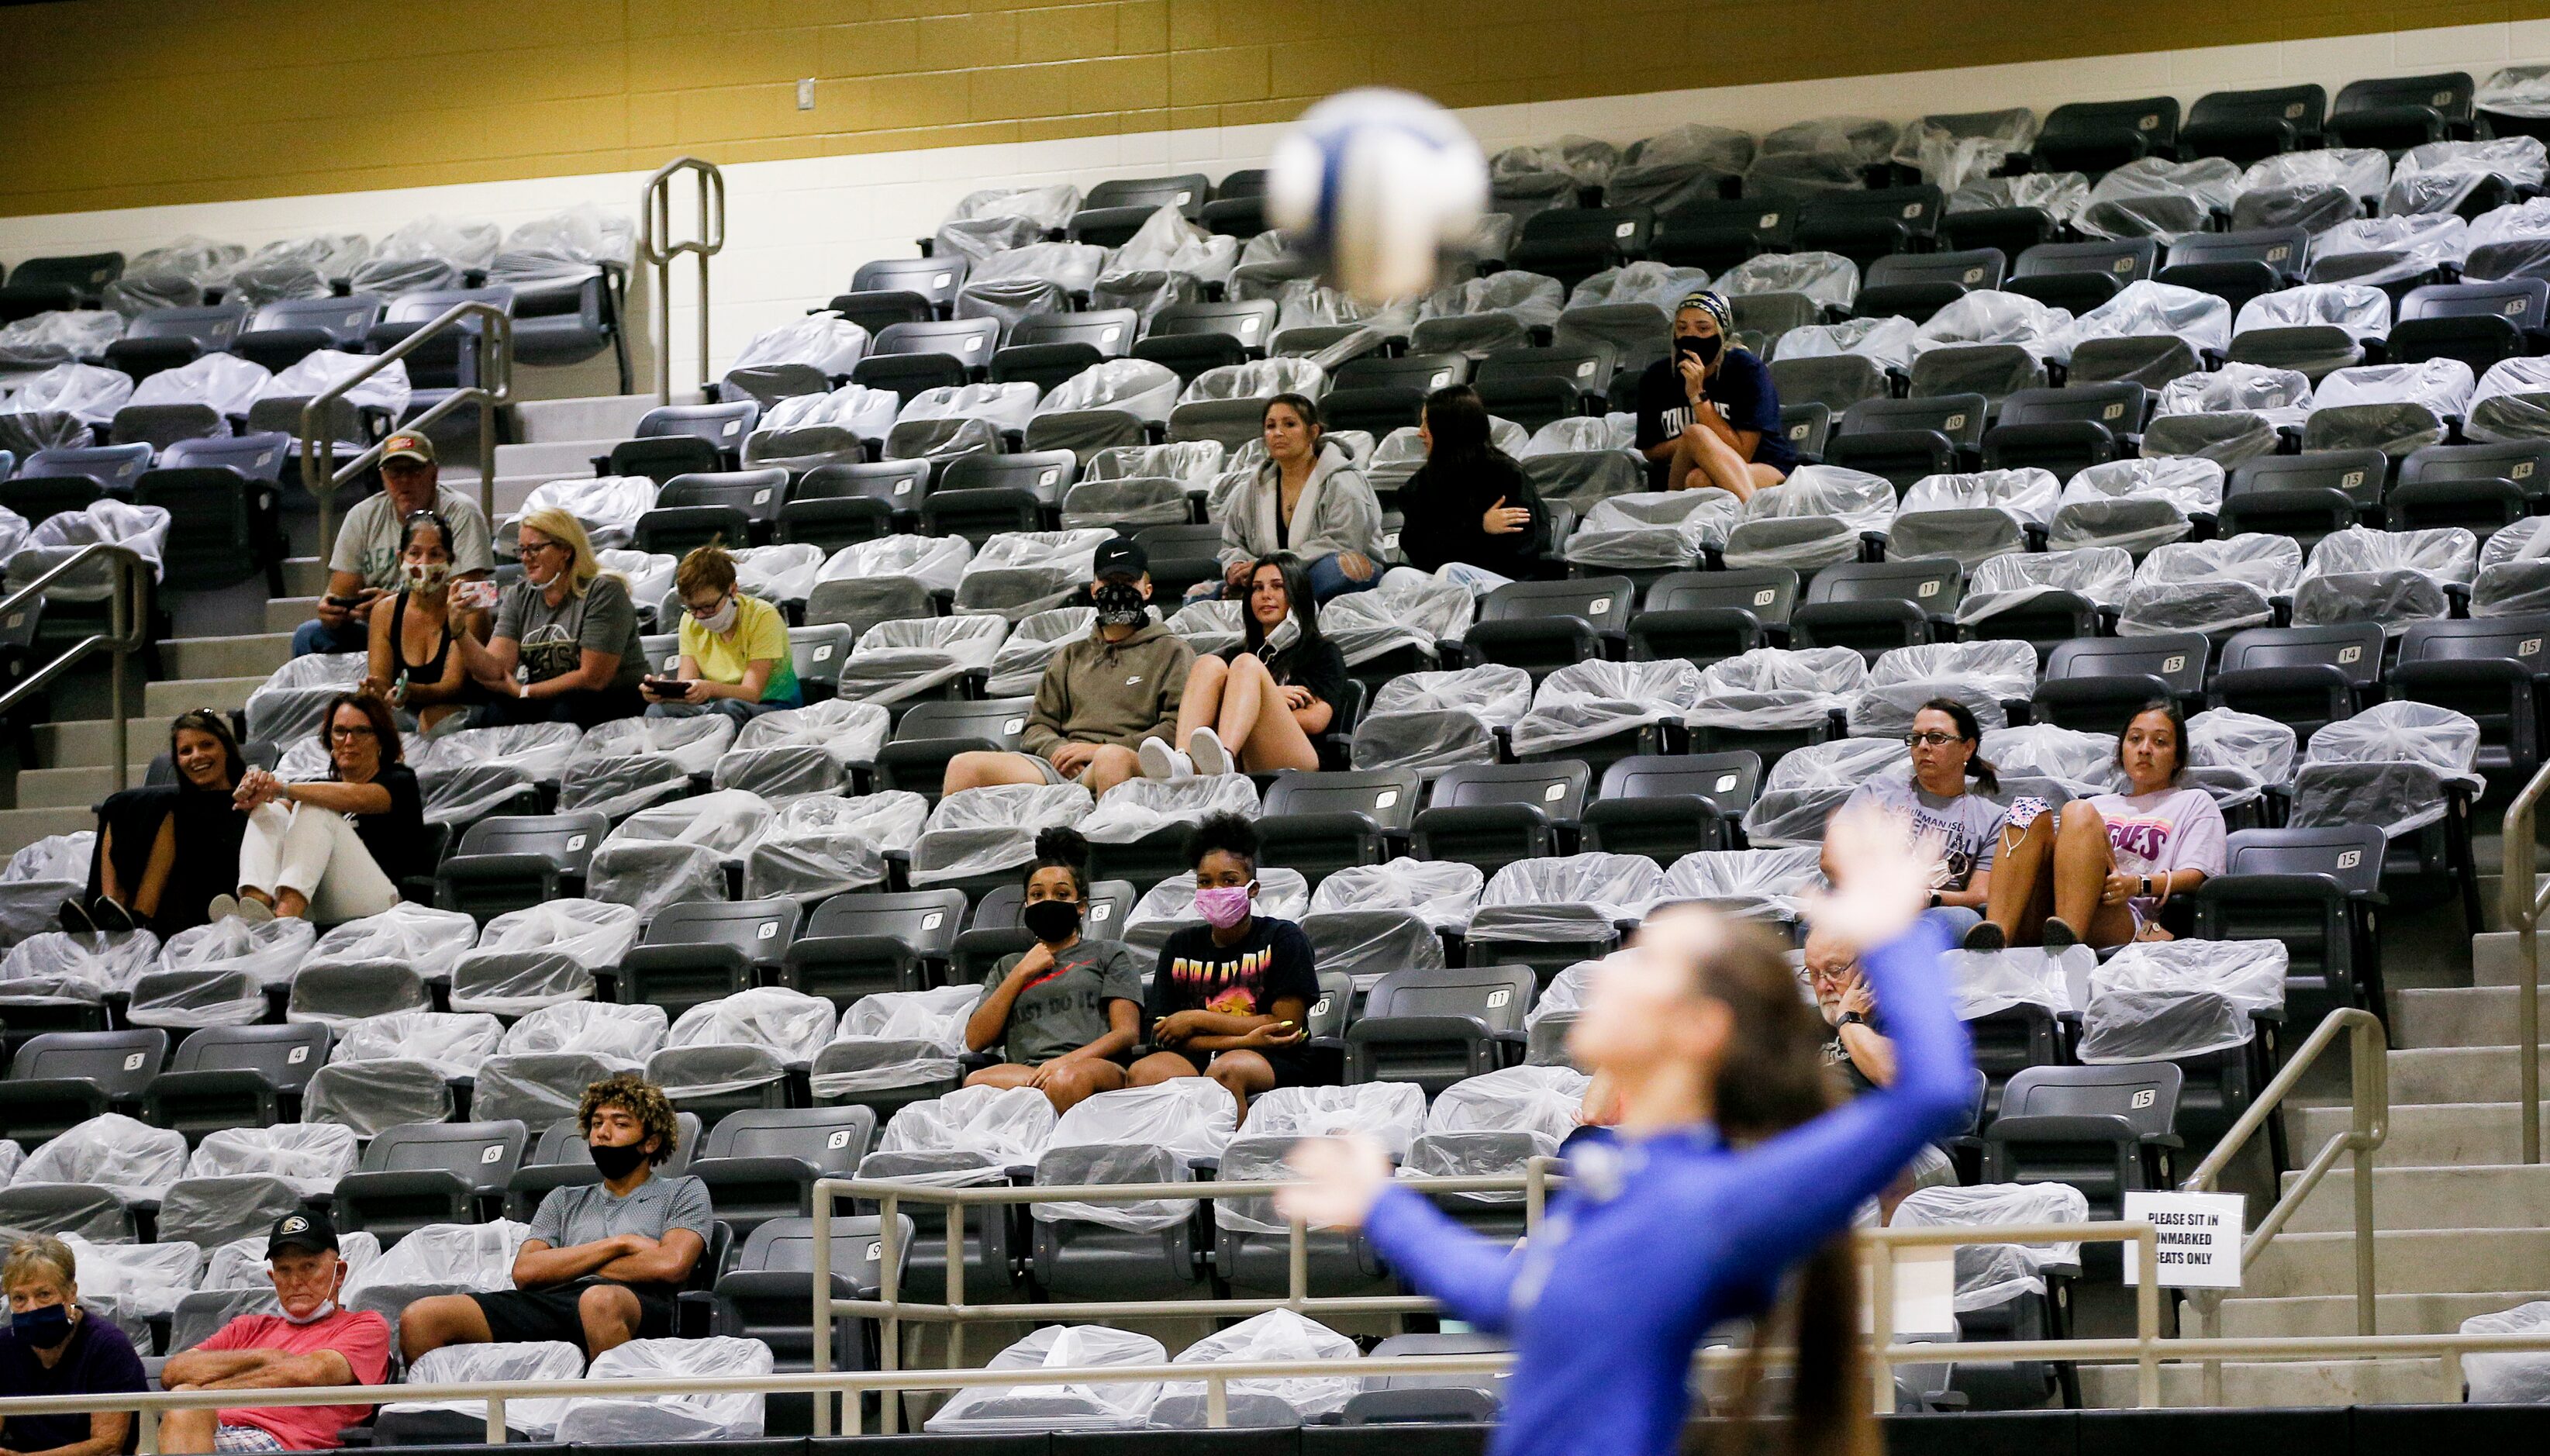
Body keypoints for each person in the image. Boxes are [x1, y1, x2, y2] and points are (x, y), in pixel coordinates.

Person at [1276, 804, 1974, 1456]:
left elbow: (1933, 1092)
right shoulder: (1617, 1174)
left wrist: (1886, 930)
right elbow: (1510, 1300)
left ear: (1700, 1029)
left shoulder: (1717, 1195)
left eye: (1648, 961)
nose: (1610, 970)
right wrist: (1382, 1204)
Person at [400, 1073, 709, 1362]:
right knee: (422, 1317)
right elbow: (526, 1272)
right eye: (597, 1123)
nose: (602, 1133)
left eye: (620, 1124)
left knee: (597, 1300)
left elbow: (670, 1266)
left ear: (651, 1142)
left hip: (638, 1304)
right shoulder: (562, 1198)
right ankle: (450, 1418)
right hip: (554, 1302)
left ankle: (615, 1416)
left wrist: (563, 1265)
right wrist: (621, 1243)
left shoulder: (684, 1190)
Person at [942, 538, 1192, 799]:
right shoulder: (1071, 656)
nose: (1118, 590)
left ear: (1147, 590)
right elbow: (1037, 726)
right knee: (963, 766)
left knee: (1111, 759)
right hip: (1064, 767)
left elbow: (1176, 728)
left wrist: (1097, 749)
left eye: (1128, 582)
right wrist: (1060, 751)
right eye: (1109, 582)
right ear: (1095, 589)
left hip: (1129, 760)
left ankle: (1105, 838)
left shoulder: (1172, 651)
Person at [1971, 700, 2228, 952]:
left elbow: (2197, 876)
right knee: (2029, 809)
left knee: (2077, 810)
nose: (2145, 749)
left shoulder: (2194, 802)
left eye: (2160, 742)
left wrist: (2136, 884)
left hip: (2131, 918)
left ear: (2177, 758)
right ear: (2122, 751)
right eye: (2135, 739)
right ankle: (1997, 935)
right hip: (2054, 909)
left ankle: (2068, 940)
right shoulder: (2099, 804)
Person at [1129, 814, 1318, 1117]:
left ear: (1252, 888)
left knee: (1226, 1073)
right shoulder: (1179, 945)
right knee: (1143, 1073)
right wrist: (1240, 1038)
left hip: (1275, 1057)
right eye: (1205, 882)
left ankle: (1230, 1163)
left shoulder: (1284, 938)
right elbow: (1165, 1033)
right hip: (1201, 1055)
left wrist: (1195, 1019)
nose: (1216, 889)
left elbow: (1285, 1026)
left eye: (1229, 880)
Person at [160, 1210, 392, 1454]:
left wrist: (205, 1393)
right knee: (166, 1425)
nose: (295, 1281)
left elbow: (307, 1373)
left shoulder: (365, 1326)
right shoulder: (247, 1327)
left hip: (284, 1444)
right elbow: (174, 1372)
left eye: (309, 1267)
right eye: (284, 1270)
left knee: (184, 1405)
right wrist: (265, 1357)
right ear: (273, 1277)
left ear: (339, 1274)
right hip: (206, 1429)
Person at [963, 827, 1144, 1112]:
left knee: (1065, 1080)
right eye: (1037, 895)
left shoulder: (1110, 953)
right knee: (975, 1083)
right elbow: (976, 1040)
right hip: (1028, 1072)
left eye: (1061, 894)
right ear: (1026, 904)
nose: (1048, 902)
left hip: (1093, 1067)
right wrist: (1022, 972)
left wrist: (1065, 1062)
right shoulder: (1009, 965)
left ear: (1081, 905)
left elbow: (1126, 1034)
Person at [212, 693, 423, 925]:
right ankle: (256, 906)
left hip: (384, 905)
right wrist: (256, 797)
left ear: (380, 740)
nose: (349, 741)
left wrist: (280, 787)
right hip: (323, 901)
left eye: (361, 731)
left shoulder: (400, 780)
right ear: (329, 740)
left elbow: (359, 798)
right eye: (340, 731)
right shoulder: (322, 788)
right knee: (269, 811)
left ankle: (285, 917)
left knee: (314, 808)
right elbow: (281, 808)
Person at [1140, 552, 1347, 779]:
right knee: (1208, 663)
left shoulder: (1322, 651)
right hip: (1247, 755)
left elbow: (1316, 721)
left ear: (1297, 593)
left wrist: (1263, 702)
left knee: (1247, 665)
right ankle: (1183, 759)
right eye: (1257, 588)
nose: (1266, 595)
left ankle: (1226, 755)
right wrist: (1267, 698)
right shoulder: (1236, 653)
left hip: (1303, 759)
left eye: (1277, 586)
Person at [294, 432, 493, 657]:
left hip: (438, 627)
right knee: (309, 635)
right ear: (383, 476)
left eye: (414, 470)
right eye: (395, 472)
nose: (404, 481)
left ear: (433, 474)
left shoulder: (462, 512)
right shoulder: (362, 516)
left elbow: (474, 597)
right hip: (378, 630)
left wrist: (397, 607)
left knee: (465, 620)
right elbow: (341, 591)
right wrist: (332, 612)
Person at [1824, 698, 2004, 942]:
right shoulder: (1878, 789)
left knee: (1966, 919)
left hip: (1932, 916)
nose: (1923, 746)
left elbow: (1981, 895)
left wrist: (1926, 897)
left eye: (1937, 737)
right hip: (1865, 906)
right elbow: (1832, 859)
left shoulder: (1991, 818)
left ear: (1967, 748)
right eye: (1916, 738)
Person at [460, 507, 647, 727]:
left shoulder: (604, 591)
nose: (526, 559)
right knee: (496, 714)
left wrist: (526, 690)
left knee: (566, 713)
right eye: (522, 550)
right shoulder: (519, 597)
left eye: (535, 549)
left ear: (566, 550)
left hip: (612, 699)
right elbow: (495, 671)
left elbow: (593, 678)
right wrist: (459, 631)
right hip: (549, 699)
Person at [65, 709, 247, 937]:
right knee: (119, 804)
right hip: (182, 877)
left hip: (221, 878)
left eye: (207, 745)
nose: (197, 756)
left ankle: (139, 917)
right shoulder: (180, 803)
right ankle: (111, 908)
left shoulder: (249, 793)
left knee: (165, 804)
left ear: (226, 748)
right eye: (186, 751)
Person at [1208, 394, 1383, 604]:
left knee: (1338, 570)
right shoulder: (1251, 488)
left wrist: (1273, 569)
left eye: (1290, 424)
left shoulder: (1343, 480)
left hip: (1328, 573)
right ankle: (1266, 593)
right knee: (1199, 595)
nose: (1278, 433)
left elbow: (1344, 543)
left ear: (1313, 432)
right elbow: (1232, 543)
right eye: (1270, 426)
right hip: (1268, 577)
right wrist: (1235, 568)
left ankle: (1265, 596)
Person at [1633, 289, 1796, 501]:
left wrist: (1698, 397)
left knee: (1699, 478)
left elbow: (1743, 452)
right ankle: (1755, 521)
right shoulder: (1656, 377)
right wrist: (1693, 447)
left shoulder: (1747, 370)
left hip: (1764, 465)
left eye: (1703, 328)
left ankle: (1749, 517)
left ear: (1722, 333)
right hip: (1681, 471)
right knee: (1695, 437)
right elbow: (1650, 450)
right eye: (1682, 328)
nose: (1691, 336)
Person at [0, 1235, 145, 1456]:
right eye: (19, 1298)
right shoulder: (3, 1348)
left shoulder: (108, 1346)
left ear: (71, 1293)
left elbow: (108, 1445)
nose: (31, 1308)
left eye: (44, 1295)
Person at [1396, 383, 1552, 581]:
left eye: (1428, 423)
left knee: (1450, 573)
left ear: (1449, 428)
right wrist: (1480, 528)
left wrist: (1455, 543)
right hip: (1441, 577)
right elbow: (1415, 545)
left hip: (1502, 583)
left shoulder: (1507, 477)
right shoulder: (1422, 483)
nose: (1420, 432)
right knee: (1397, 577)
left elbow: (1521, 553)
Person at [643, 543, 800, 726]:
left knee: (728, 710)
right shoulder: (689, 621)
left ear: (732, 590)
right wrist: (665, 692)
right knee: (657, 711)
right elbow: (687, 683)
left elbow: (752, 694)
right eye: (693, 608)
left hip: (774, 707)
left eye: (708, 607)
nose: (700, 615)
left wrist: (708, 689)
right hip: (717, 706)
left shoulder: (763, 616)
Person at [361, 510, 488, 735]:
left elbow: (453, 687)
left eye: (435, 554)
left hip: (462, 710)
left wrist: (409, 691)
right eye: (415, 554)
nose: (424, 564)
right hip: (408, 710)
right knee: (370, 718)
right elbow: (381, 680)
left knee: (432, 719)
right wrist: (379, 692)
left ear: (451, 561)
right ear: (401, 559)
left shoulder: (468, 607)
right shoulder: (384, 611)